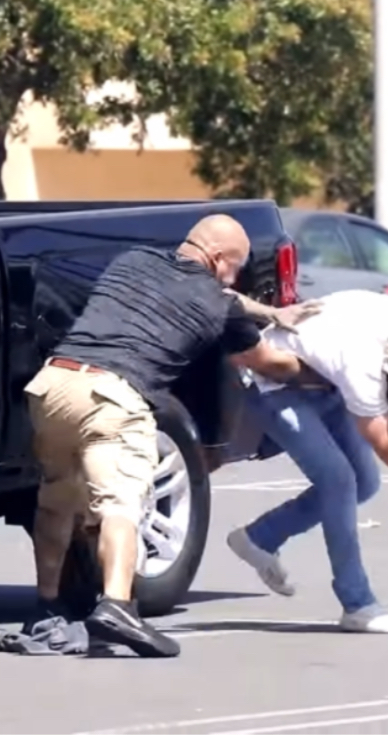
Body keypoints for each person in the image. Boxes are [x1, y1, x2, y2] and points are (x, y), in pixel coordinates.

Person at [24, 214, 321, 658]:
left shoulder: (133, 260)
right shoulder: (215, 306)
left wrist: (273, 312)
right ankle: (118, 606)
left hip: (54, 387)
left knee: (57, 500)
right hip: (112, 395)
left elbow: (224, 294)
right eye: (234, 267)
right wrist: (325, 378)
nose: (234, 278)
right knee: (122, 505)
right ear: (219, 259)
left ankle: (46, 607)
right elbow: (270, 363)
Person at [226, 288, 388, 633]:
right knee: (338, 480)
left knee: (365, 481)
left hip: (322, 378)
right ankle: (357, 603)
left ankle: (260, 537)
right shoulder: (364, 371)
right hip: (270, 382)